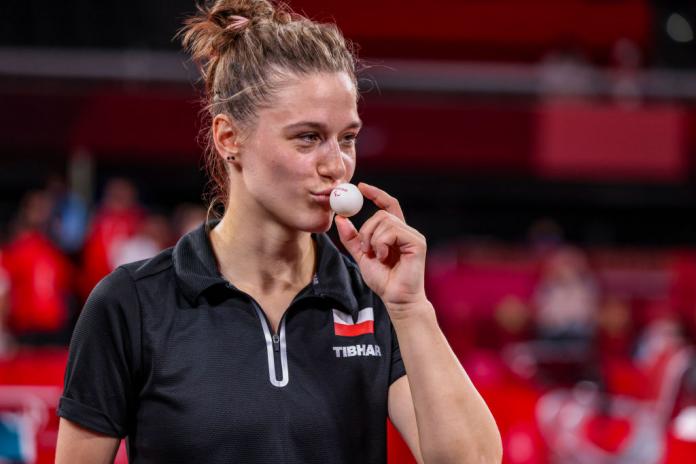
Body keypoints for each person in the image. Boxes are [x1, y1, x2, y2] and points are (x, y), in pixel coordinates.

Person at [55, 1, 502, 463]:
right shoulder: (131, 304)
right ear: (230, 139)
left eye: (347, 138)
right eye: (307, 138)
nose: (337, 167)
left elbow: (474, 461)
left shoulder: (374, 301)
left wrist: (411, 308)